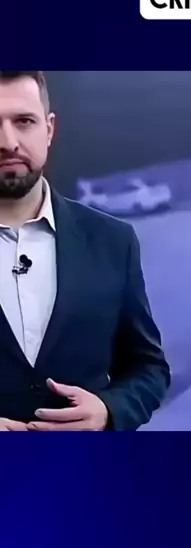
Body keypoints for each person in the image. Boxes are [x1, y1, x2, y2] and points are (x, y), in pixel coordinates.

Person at [0, 71, 171, 431]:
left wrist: (109, 411)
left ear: (49, 129)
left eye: (24, 121)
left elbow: (148, 368)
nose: (8, 141)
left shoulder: (113, 241)